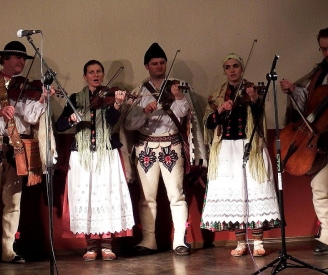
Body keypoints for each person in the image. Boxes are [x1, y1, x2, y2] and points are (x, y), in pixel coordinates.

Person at [0, 41, 54, 265]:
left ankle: (8, 250)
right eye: (15, 57)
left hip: (17, 148)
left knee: (14, 202)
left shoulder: (26, 86)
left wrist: (43, 98)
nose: (21, 61)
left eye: (23, 58)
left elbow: (32, 117)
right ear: (4, 59)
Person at [124, 43, 205, 256]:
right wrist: (144, 112)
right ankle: (149, 239)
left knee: (176, 195)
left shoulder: (178, 87)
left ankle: (179, 240)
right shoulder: (139, 92)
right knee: (146, 197)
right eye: (154, 63)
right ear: (146, 66)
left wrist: (178, 97)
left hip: (172, 145)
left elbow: (183, 114)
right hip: (145, 148)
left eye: (162, 63)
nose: (159, 66)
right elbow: (129, 124)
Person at [200, 53, 281, 257]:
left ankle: (258, 241)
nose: (232, 70)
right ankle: (240, 242)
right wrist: (219, 110)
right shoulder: (217, 95)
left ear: (241, 68)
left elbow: (260, 117)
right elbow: (209, 124)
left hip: (249, 146)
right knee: (234, 192)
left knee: (253, 189)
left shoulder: (251, 90)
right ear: (224, 70)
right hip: (226, 148)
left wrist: (254, 100)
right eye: (228, 67)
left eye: (236, 66)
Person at [56, 59, 135, 261]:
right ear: (85, 76)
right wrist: (72, 118)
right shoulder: (75, 98)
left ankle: (107, 244)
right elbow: (60, 126)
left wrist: (117, 104)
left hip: (106, 152)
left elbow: (110, 121)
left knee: (106, 195)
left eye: (99, 71)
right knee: (87, 197)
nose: (96, 75)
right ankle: (90, 245)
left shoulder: (109, 97)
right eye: (91, 72)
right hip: (82, 154)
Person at [280, 27, 328, 255]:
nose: (326, 53)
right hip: (321, 141)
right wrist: (294, 90)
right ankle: (327, 236)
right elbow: (309, 101)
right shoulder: (319, 73)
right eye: (323, 49)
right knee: (319, 186)